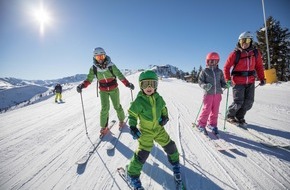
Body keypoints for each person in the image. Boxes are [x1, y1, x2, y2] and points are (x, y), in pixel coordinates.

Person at [126, 70, 181, 189]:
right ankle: (132, 174)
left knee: (170, 146)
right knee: (142, 154)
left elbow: (163, 108)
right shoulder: (139, 101)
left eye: (152, 84)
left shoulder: (158, 98)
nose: (149, 87)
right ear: (141, 86)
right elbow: (132, 114)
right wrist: (133, 126)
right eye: (146, 84)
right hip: (145, 132)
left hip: (158, 129)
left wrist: (165, 116)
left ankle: (175, 164)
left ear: (156, 85)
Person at [76, 47, 134, 136]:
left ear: (105, 56)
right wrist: (82, 85)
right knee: (104, 108)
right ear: (94, 58)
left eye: (102, 57)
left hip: (114, 89)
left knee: (117, 106)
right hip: (103, 91)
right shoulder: (93, 68)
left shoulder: (111, 66)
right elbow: (89, 79)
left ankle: (122, 121)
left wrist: (127, 84)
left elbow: (119, 75)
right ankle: (104, 127)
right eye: (98, 57)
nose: (100, 60)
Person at [224, 31, 265, 126]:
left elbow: (259, 66)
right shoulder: (235, 54)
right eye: (242, 40)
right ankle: (230, 115)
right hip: (238, 81)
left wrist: (262, 78)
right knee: (238, 102)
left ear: (251, 41)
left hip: (250, 81)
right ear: (239, 41)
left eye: (247, 40)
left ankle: (239, 116)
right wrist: (228, 79)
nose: (244, 43)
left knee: (249, 102)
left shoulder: (256, 53)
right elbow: (226, 67)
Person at [197, 52, 227, 135]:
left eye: (215, 61)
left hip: (218, 94)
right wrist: (205, 86)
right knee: (207, 109)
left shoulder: (219, 72)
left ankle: (212, 124)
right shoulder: (205, 71)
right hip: (208, 94)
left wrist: (226, 85)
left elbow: (222, 82)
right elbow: (200, 82)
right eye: (211, 61)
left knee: (215, 110)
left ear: (218, 62)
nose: (213, 63)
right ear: (207, 61)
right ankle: (201, 124)